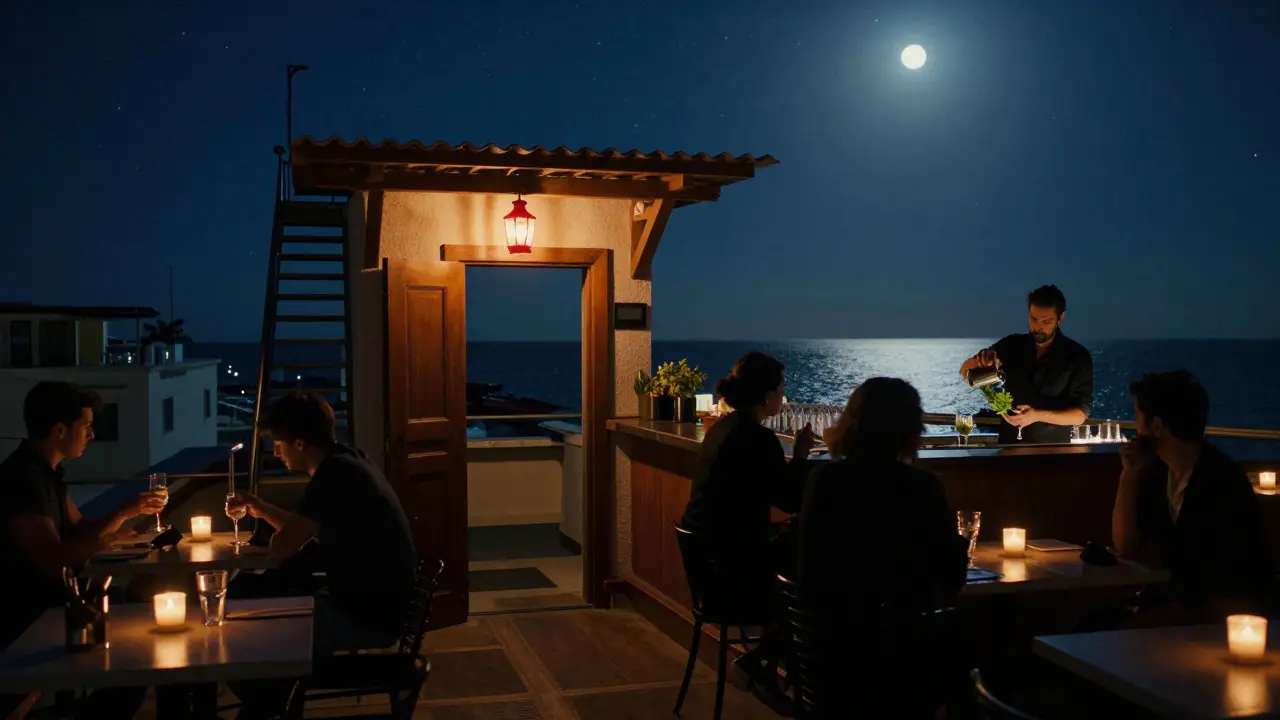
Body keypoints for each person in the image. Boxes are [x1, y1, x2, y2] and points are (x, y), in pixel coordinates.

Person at [799, 378, 971, 719]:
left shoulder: (824, 481)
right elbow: (950, 580)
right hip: (900, 664)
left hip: (830, 660)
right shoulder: (921, 489)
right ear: (911, 429)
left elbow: (812, 570)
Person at [0, 381, 166, 720]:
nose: (91, 434)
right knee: (136, 652)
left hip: (55, 606)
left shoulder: (45, 475)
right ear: (60, 430)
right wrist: (106, 542)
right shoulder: (21, 479)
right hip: (28, 616)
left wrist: (125, 511)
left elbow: (79, 531)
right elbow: (55, 560)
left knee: (140, 606)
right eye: (86, 426)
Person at [678, 351, 814, 710]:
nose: (783, 396)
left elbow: (741, 504)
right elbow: (788, 498)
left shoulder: (720, 429)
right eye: (782, 388)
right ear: (767, 395)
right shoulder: (758, 440)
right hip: (734, 580)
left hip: (709, 569)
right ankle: (770, 667)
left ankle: (765, 666)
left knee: (798, 558)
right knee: (814, 588)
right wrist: (801, 456)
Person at [1111, 371, 1273, 624]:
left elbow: (1232, 574)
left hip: (1215, 616)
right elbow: (1126, 546)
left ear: (1156, 426)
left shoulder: (1222, 481)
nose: (1135, 426)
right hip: (1168, 604)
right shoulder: (1155, 473)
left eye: (1137, 416)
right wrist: (1129, 477)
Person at [958, 285, 1094, 444]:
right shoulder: (1011, 345)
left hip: (1055, 454)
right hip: (1010, 451)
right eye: (1034, 319)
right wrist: (982, 360)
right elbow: (965, 370)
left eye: (1046, 321)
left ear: (1060, 318)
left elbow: (1080, 415)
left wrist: (1036, 415)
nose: (1039, 327)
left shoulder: (1077, 356)